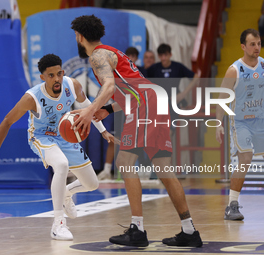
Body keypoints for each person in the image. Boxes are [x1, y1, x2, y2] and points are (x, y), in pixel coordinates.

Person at [70, 15, 202, 247]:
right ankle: (189, 231)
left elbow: (110, 86)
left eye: (76, 36)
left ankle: (137, 230)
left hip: (145, 105)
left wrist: (90, 110)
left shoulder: (97, 56)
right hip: (153, 100)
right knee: (164, 170)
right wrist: (108, 109)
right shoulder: (113, 53)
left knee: (125, 161)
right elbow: (132, 89)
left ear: (80, 36)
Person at [0, 54, 116, 240]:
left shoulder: (72, 85)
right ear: (43, 77)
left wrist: (102, 131)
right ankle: (58, 224)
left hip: (64, 136)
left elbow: (88, 108)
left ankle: (66, 193)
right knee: (61, 165)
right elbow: (7, 121)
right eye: (51, 75)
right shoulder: (32, 98)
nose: (57, 79)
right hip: (41, 137)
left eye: (59, 74)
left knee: (92, 184)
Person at [216, 28, 264, 221]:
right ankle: (232, 205)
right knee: (245, 158)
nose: (257, 47)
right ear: (243, 46)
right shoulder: (234, 70)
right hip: (241, 122)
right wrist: (219, 124)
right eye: (252, 44)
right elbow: (221, 99)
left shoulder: (263, 65)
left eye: (259, 43)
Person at [147, 43, 199, 135]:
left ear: (170, 55)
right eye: (161, 55)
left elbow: (196, 77)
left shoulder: (177, 67)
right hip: (158, 104)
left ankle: (166, 147)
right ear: (158, 56)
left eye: (165, 55)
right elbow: (141, 80)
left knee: (169, 131)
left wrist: (183, 94)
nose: (163, 58)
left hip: (173, 103)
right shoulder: (154, 68)